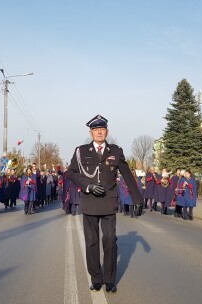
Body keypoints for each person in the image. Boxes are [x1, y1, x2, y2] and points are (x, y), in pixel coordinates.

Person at [67, 114, 142, 293]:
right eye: (95, 130)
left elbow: (127, 174)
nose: (99, 132)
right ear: (91, 133)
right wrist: (88, 186)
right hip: (90, 201)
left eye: (102, 129)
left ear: (106, 132)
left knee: (109, 240)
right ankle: (96, 278)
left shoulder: (115, 151)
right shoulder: (81, 151)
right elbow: (71, 173)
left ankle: (109, 280)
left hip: (108, 202)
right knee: (91, 242)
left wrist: (137, 199)